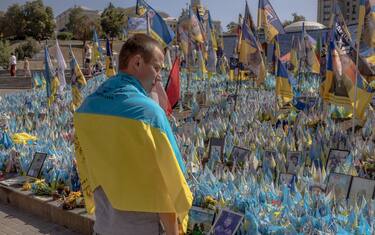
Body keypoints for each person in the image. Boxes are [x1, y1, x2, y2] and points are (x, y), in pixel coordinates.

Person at [74, 34, 192, 235]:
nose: (158, 77)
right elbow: (169, 183)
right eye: (156, 67)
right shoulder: (150, 114)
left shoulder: (85, 108)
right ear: (137, 62)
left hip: (103, 225)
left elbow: (84, 166)